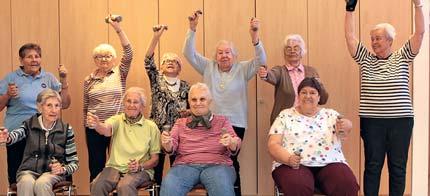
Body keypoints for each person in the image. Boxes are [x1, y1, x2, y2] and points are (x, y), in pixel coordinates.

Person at [344, 0, 424, 195]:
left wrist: (418, 5)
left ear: (390, 40)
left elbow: (420, 33)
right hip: (372, 122)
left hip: (400, 122)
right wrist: (350, 10)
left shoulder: (403, 56)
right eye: (372, 39)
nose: (374, 42)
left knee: (397, 168)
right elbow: (350, 37)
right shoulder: (366, 58)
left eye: (378, 38)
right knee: (372, 166)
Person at [183, 11, 266, 195]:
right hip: (209, 122)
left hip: (236, 123)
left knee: (230, 160)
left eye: (227, 52)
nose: (224, 56)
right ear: (215, 56)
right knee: (210, 161)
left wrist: (255, 37)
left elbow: (262, 60)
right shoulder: (207, 66)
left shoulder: (243, 69)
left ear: (234, 55)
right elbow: (188, 53)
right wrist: (192, 29)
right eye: (220, 53)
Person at [268, 77, 359, 195]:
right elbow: (273, 144)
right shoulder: (285, 115)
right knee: (298, 185)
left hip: (330, 162)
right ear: (298, 96)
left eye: (312, 93)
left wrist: (347, 125)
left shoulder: (330, 114)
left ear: (319, 97)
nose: (308, 96)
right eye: (303, 92)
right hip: (294, 164)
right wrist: (288, 159)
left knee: (346, 183)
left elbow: (345, 127)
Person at [0, 43, 71, 185]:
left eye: (37, 56)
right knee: (17, 177)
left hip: (44, 133)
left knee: (44, 176)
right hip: (17, 134)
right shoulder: (10, 78)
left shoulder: (49, 78)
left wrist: (63, 82)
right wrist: (7, 95)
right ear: (21, 60)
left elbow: (65, 104)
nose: (34, 60)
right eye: (29, 57)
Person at [160, 83, 241, 196]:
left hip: (218, 166)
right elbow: (170, 148)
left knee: (221, 185)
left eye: (202, 99)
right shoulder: (180, 123)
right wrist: (166, 142)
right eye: (194, 100)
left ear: (209, 101)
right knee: (169, 185)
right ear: (189, 102)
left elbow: (235, 145)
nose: (198, 103)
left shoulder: (222, 121)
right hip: (185, 166)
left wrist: (231, 142)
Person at [83, 14, 133, 183]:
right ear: (94, 60)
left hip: (116, 126)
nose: (104, 59)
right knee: (96, 166)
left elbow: (129, 52)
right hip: (94, 129)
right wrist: (87, 124)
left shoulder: (120, 72)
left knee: (119, 166)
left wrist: (118, 29)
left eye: (108, 56)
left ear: (114, 59)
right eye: (99, 56)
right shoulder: (88, 80)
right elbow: (86, 106)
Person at [0, 89, 78, 196]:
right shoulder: (29, 125)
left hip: (52, 174)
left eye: (57, 106)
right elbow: (16, 135)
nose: (54, 110)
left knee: (42, 183)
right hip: (28, 171)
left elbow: (74, 162)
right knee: (26, 182)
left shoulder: (66, 130)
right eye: (49, 105)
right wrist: (7, 138)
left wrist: (63, 169)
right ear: (40, 107)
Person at [88, 87, 160, 196]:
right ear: (124, 104)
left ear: (142, 106)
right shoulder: (117, 120)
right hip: (114, 167)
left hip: (140, 170)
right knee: (97, 185)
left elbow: (155, 159)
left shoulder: (151, 127)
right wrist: (97, 125)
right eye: (128, 101)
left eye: (136, 102)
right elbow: (106, 129)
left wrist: (140, 166)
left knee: (125, 186)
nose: (131, 105)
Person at [144, 25, 190, 185]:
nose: (170, 63)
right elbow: (148, 61)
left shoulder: (186, 86)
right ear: (161, 67)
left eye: (174, 62)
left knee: (178, 169)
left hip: (179, 132)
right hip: (156, 130)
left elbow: (192, 109)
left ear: (179, 68)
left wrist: (188, 113)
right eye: (166, 61)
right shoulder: (156, 80)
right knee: (156, 170)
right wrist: (156, 37)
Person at [258, 34, 328, 124]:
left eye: (296, 48)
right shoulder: (280, 71)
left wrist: (319, 85)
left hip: (309, 121)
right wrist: (265, 74)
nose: (292, 51)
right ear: (284, 53)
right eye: (288, 49)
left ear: (302, 51)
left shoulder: (312, 71)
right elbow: (271, 76)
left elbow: (323, 99)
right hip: (284, 122)